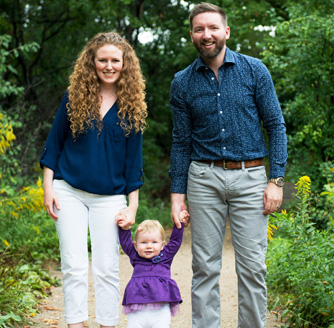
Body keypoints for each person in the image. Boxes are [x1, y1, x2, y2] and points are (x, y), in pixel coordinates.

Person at [169, 3, 287, 328]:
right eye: (199, 29)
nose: (206, 35)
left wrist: (276, 180)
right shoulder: (182, 83)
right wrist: (177, 195)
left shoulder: (255, 70)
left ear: (226, 31)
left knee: (252, 267)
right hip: (203, 179)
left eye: (212, 28)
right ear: (192, 34)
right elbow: (181, 142)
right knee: (204, 267)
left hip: (250, 177)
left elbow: (276, 125)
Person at [40, 32, 147, 328]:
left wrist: (132, 206)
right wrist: (48, 188)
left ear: (125, 64)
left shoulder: (132, 107)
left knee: (107, 268)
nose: (109, 66)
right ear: (92, 62)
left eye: (115, 60)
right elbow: (54, 143)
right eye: (103, 60)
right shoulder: (74, 97)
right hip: (68, 190)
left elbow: (133, 163)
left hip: (110, 197)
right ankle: (75, 323)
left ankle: (107, 324)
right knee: (73, 264)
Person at [115, 213, 188, 328]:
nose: (149, 246)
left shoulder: (165, 256)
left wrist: (179, 224)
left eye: (154, 242)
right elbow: (125, 242)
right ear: (136, 245)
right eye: (143, 242)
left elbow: (175, 242)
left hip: (160, 313)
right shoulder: (135, 256)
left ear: (162, 245)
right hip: (137, 312)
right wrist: (125, 228)